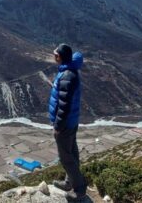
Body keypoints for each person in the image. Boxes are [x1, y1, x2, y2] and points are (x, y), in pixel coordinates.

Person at [48, 44, 87, 201]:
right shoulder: (69, 70)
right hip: (71, 122)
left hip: (65, 124)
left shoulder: (66, 76)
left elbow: (63, 105)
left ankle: (80, 189)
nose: (53, 56)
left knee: (66, 157)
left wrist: (58, 126)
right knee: (72, 152)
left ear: (60, 57)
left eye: (55, 54)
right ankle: (69, 182)